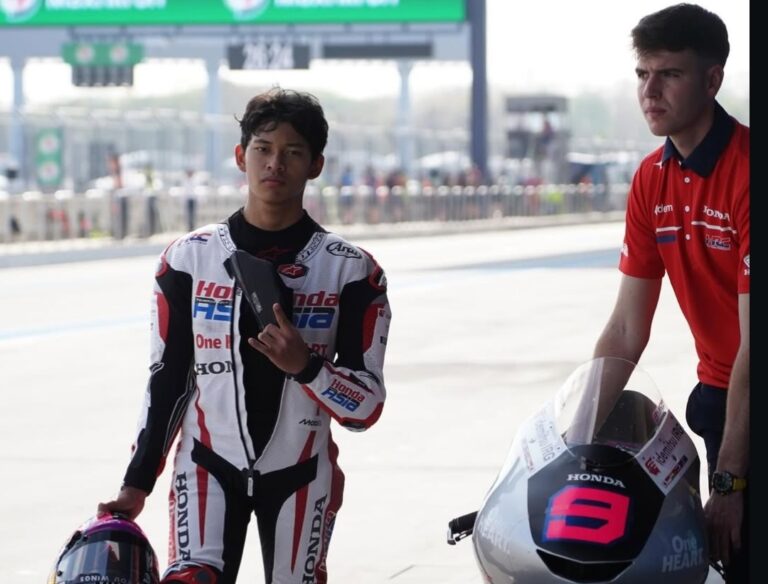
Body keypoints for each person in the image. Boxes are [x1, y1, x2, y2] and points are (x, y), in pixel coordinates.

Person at [97, 87, 393, 584]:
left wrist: (307, 366)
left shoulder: (353, 271)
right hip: (206, 467)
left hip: (302, 474)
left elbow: (365, 410)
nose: (275, 163)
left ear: (315, 165)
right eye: (263, 149)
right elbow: (167, 382)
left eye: (293, 152)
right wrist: (136, 483)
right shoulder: (187, 258)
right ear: (241, 156)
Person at [591, 4, 749, 582]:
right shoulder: (649, 179)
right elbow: (628, 327)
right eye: (642, 74)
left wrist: (731, 481)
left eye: (670, 74)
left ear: (712, 79)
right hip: (719, 400)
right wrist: (575, 432)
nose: (650, 90)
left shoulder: (750, 172)